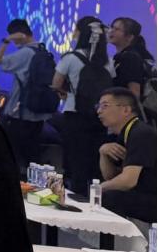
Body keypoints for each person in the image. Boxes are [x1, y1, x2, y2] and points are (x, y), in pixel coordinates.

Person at [51, 16, 113, 195]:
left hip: (74, 113)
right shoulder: (108, 61)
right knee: (94, 158)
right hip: (99, 116)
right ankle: (95, 197)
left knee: (75, 157)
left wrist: (66, 93)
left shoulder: (70, 58)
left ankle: (75, 195)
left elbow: (56, 83)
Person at [0, 18, 53, 170]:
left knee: (12, 152)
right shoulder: (42, 49)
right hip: (38, 111)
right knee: (32, 153)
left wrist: (5, 42)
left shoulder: (25, 53)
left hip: (20, 112)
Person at [96, 89, 156, 223]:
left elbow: (128, 181)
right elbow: (111, 177)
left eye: (105, 106)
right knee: (106, 194)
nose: (99, 111)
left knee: (108, 197)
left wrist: (99, 188)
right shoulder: (125, 133)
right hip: (142, 193)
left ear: (126, 110)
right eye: (98, 106)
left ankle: (117, 236)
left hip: (153, 197)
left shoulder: (141, 133)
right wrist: (103, 153)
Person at [108, 17, 154, 103]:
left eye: (117, 29)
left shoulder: (130, 57)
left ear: (129, 37)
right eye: (112, 27)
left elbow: (134, 91)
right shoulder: (121, 56)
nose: (111, 31)